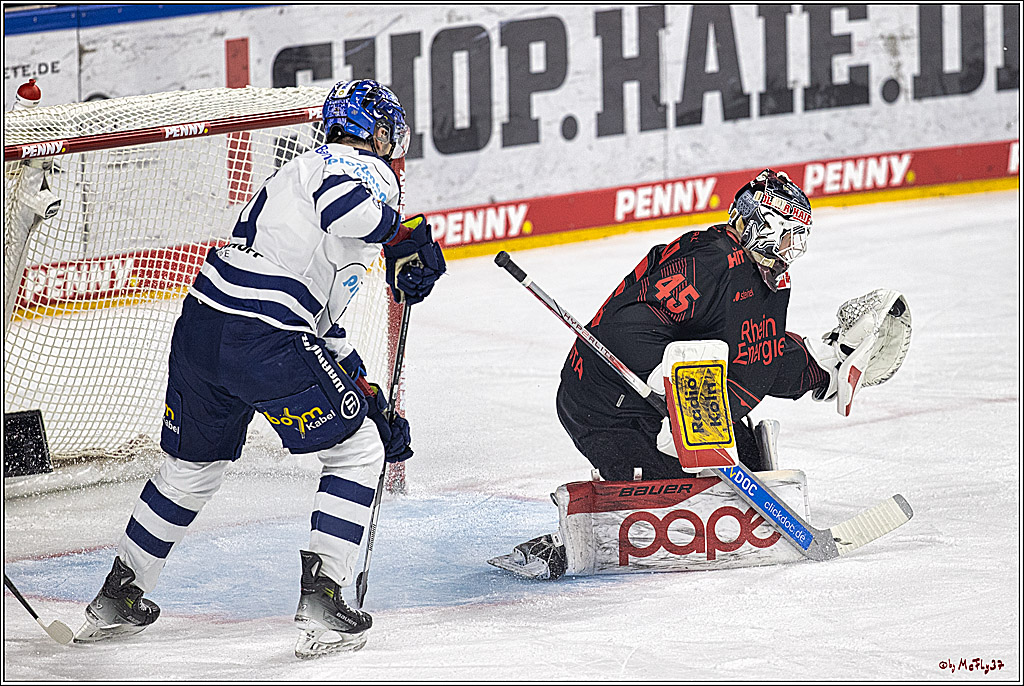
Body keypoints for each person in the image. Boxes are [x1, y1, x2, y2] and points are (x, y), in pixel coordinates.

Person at [75, 79, 446, 657]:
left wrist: (369, 395)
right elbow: (343, 208)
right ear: (375, 132)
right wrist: (402, 234)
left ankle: (121, 592)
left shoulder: (293, 177)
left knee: (190, 470)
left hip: (205, 325)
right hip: (263, 336)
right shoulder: (356, 168)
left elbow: (319, 325)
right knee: (357, 452)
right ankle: (324, 599)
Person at [498, 169, 910, 579]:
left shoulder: (769, 276)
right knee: (682, 505)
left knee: (749, 470)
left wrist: (821, 369)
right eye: (787, 234)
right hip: (608, 406)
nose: (792, 247)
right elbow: (628, 325)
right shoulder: (706, 261)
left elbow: (758, 355)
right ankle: (566, 543)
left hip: (672, 402)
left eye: (798, 238)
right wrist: (668, 381)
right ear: (758, 223)